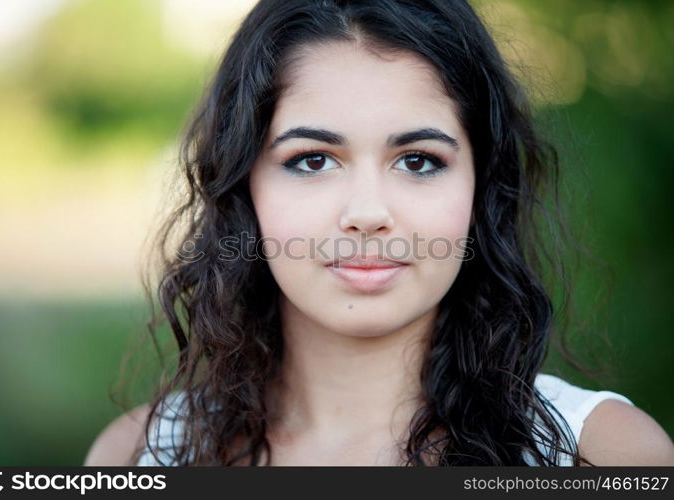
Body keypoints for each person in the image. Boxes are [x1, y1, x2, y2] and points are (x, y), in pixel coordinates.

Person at [84, 0, 674, 466]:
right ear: (243, 190)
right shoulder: (139, 455)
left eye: (418, 160)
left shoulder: (600, 455)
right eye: (312, 159)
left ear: (480, 189)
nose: (367, 213)